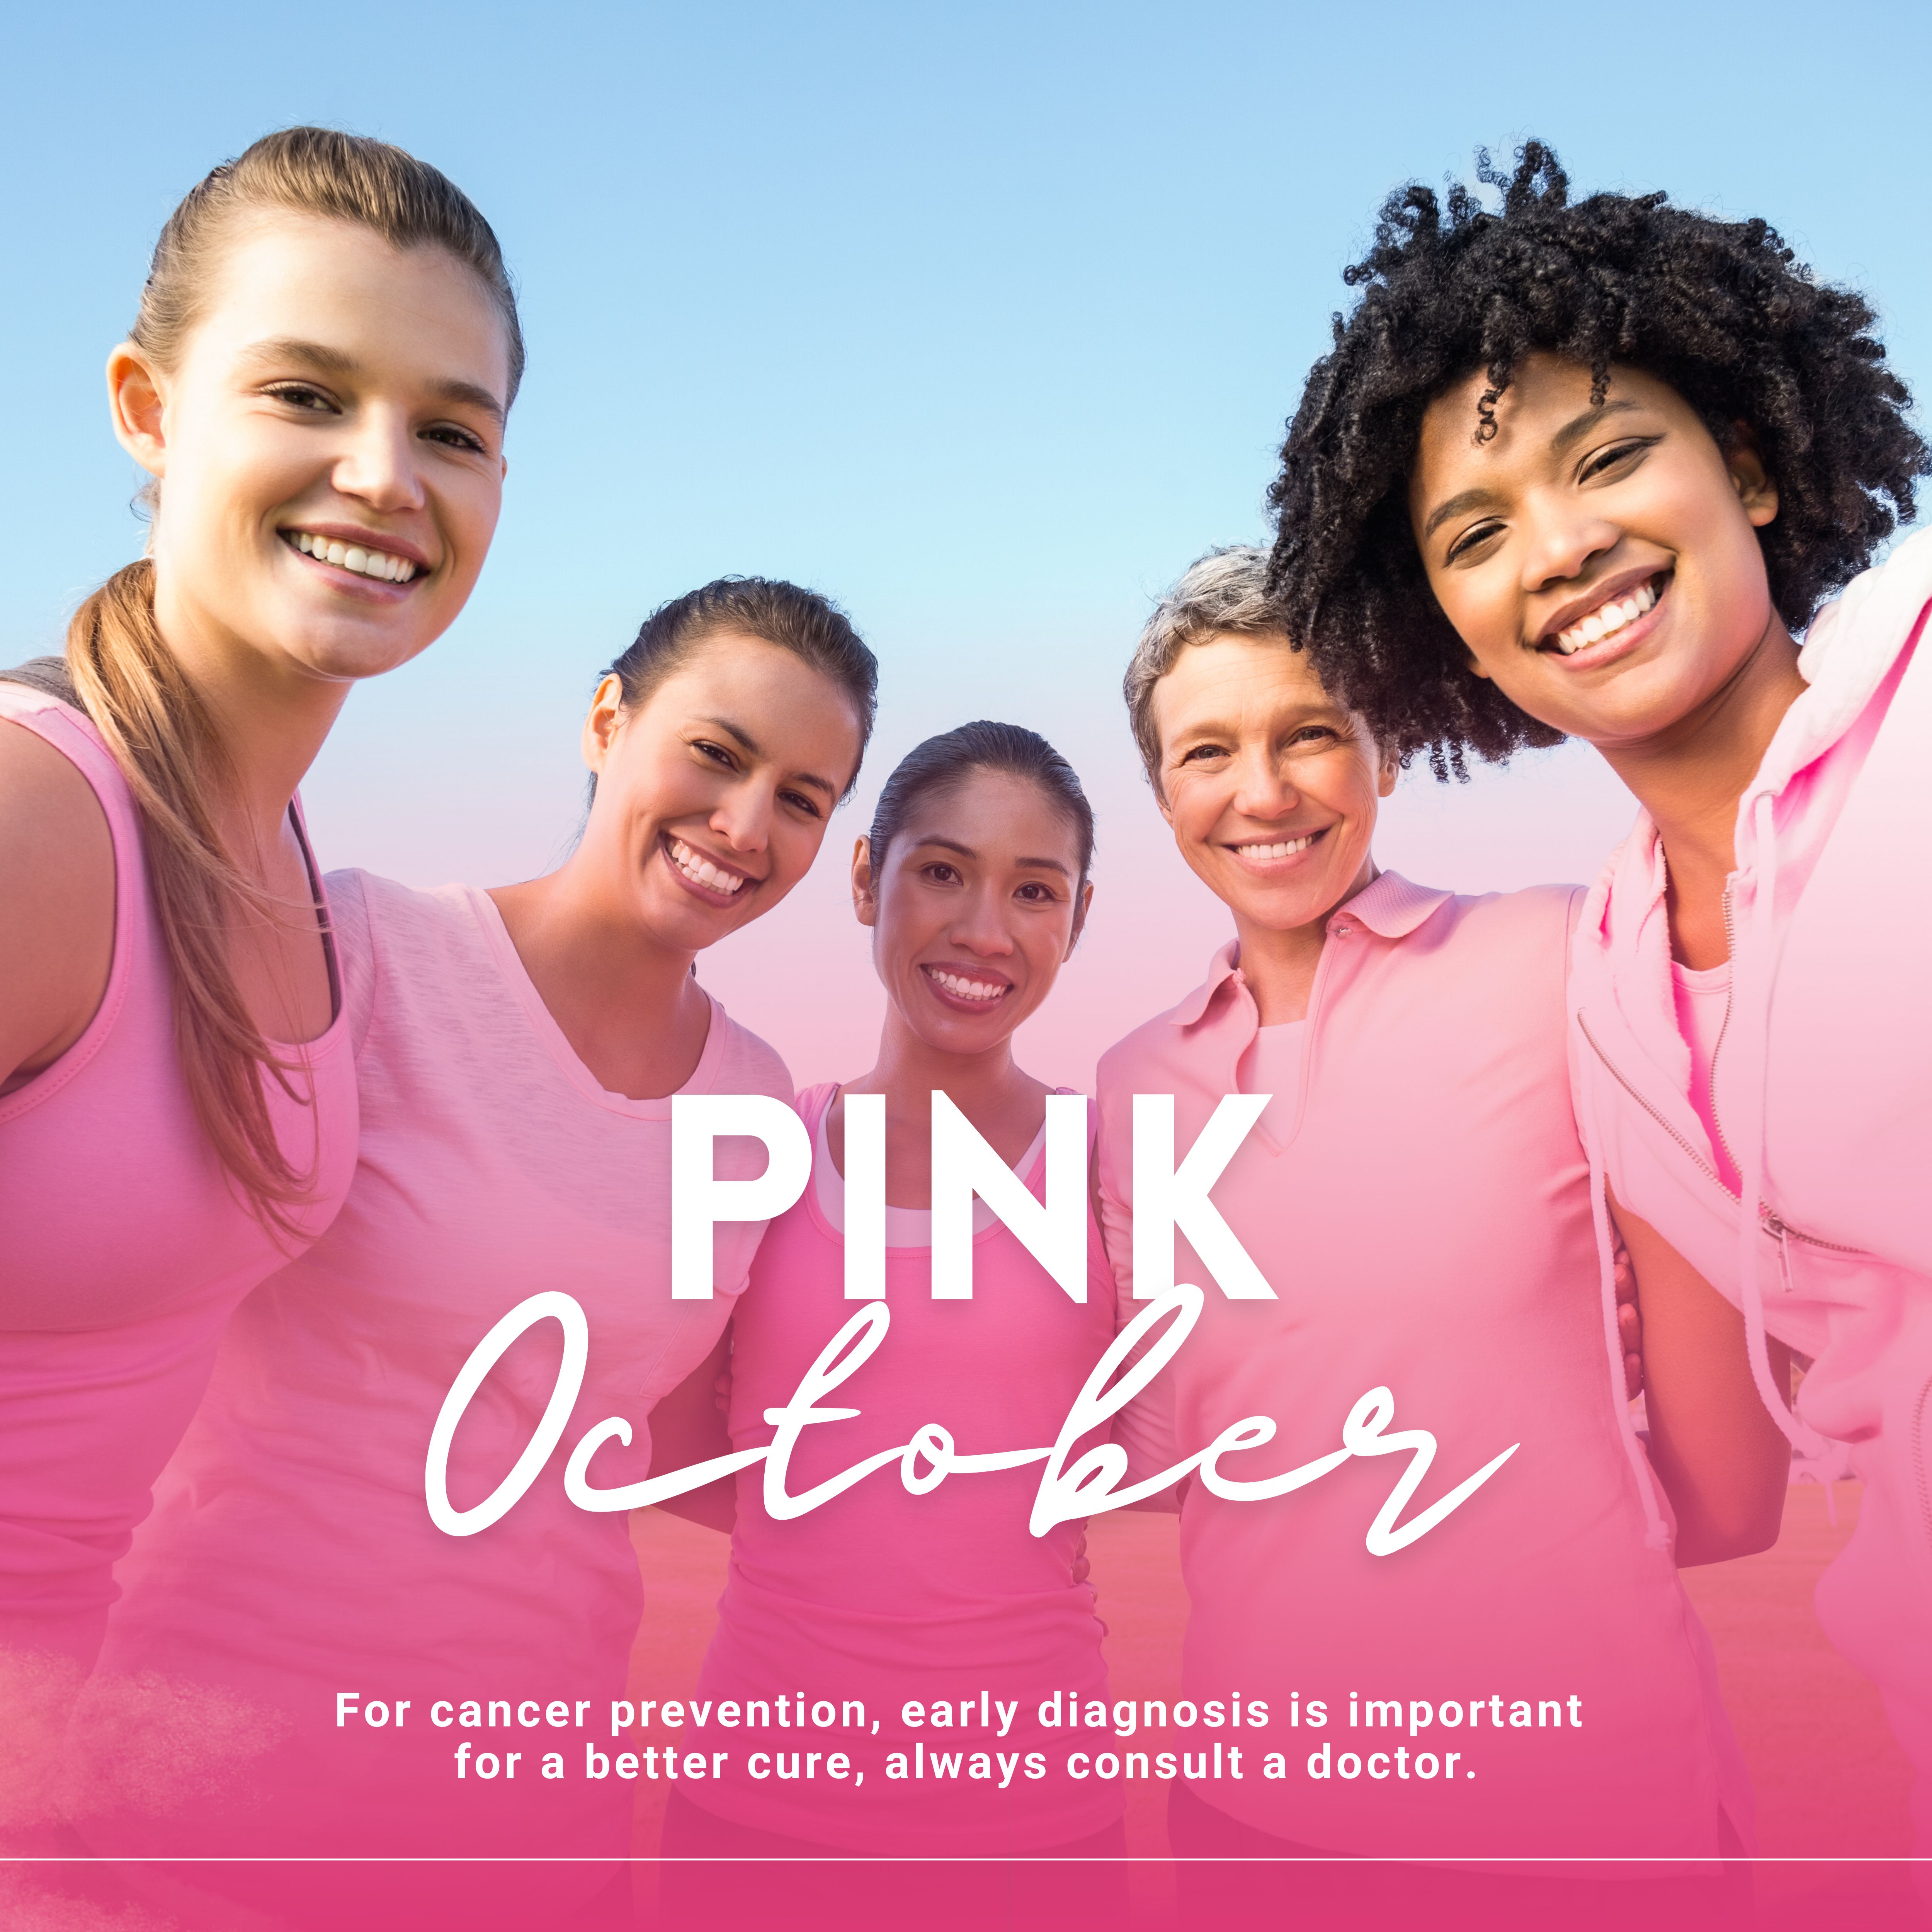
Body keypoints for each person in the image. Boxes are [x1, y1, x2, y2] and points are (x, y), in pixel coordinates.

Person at [1265, 141, 1932, 1885]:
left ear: (1758, 469)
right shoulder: (1616, 989)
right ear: (1454, 638)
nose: (1557, 550)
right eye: (1472, 535)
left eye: (1611, 455)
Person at [81, 581, 878, 1931]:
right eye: (718, 753)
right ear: (607, 721)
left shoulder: (754, 1102)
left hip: (528, 1829)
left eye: (804, 797)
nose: (747, 827)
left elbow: (680, 1438)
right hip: (204, 1804)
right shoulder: (358, 946)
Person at [1096, 547, 1785, 1927]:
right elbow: (1195, 1455)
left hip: (1584, 1821)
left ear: (1389, 750)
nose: (1265, 791)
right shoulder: (1134, 1086)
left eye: (1312, 734)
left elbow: (1728, 1493)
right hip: (1253, 1823)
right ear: (1163, 793)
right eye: (1208, 751)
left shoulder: (1559, 961)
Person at [0, 125, 517, 1735]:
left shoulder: (279, 851)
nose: (385, 472)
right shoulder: (34, 822)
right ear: (148, 412)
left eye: (451, 426)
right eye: (307, 394)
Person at [653, 721, 1127, 1930]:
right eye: (941, 871)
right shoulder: (758, 1152)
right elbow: (673, 1452)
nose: (983, 929)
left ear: (1077, 918)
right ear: (867, 877)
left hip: (1037, 1827)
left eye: (1035, 891)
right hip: (754, 1818)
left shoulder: (1116, 1167)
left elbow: (1194, 1425)